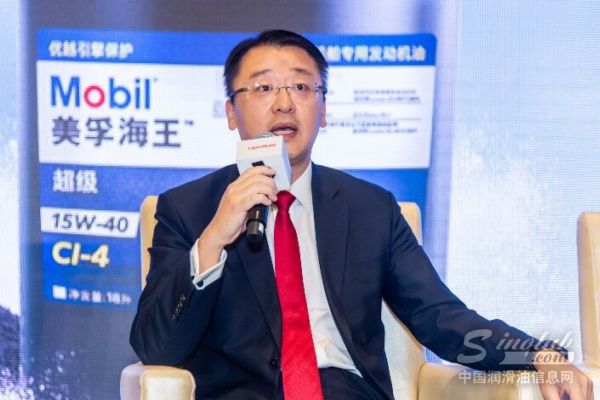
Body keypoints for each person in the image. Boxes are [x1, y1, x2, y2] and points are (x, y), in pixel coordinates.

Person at [130, 30, 592, 400]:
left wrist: (536, 354)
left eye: (301, 87)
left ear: (323, 110)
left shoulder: (370, 208)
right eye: (264, 87)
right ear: (231, 111)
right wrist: (213, 239)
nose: (284, 102)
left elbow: (440, 316)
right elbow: (156, 346)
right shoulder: (187, 209)